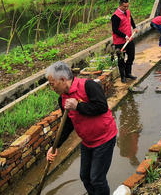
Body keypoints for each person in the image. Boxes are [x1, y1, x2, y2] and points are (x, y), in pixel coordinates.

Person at [46, 61, 117, 195]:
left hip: (104, 139)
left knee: (97, 179)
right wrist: (54, 146)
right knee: (85, 176)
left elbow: (102, 107)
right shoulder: (62, 99)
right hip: (87, 142)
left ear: (62, 79)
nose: (52, 87)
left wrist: (78, 106)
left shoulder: (88, 86)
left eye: (52, 84)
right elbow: (67, 125)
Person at [111, 0, 137, 83]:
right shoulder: (115, 16)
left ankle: (128, 73)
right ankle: (123, 77)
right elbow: (115, 30)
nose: (126, 8)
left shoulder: (127, 11)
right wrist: (124, 36)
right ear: (120, 5)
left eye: (127, 6)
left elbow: (130, 18)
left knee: (131, 57)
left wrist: (134, 27)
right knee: (121, 59)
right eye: (125, 6)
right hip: (120, 42)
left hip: (129, 39)